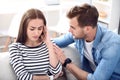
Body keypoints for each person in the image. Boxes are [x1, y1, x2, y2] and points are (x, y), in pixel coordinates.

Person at [53, 3, 120, 80]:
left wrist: (66, 63)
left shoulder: (111, 45)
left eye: (73, 27)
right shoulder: (79, 34)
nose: (69, 30)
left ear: (87, 29)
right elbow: (56, 42)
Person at [9, 8, 62, 80]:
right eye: (32, 29)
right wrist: (50, 78)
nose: (36, 33)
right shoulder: (15, 48)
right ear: (24, 28)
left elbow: (56, 71)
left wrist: (49, 44)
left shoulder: (49, 44)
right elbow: (23, 77)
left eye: (40, 28)